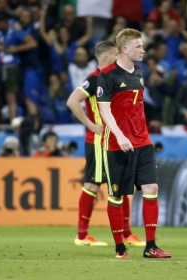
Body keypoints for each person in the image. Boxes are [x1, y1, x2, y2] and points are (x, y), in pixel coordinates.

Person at [97, 28, 171, 259]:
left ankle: (151, 246)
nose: (143, 50)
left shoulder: (140, 72)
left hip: (143, 142)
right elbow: (104, 109)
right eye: (139, 46)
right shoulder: (107, 74)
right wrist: (119, 134)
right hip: (116, 145)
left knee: (151, 189)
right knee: (117, 196)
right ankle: (120, 248)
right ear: (124, 49)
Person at [66, 40, 146, 247]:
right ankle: (82, 235)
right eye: (116, 54)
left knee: (122, 182)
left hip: (115, 139)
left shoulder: (112, 77)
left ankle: (127, 234)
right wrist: (90, 124)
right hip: (99, 141)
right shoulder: (94, 79)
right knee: (93, 184)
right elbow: (72, 101)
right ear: (108, 57)